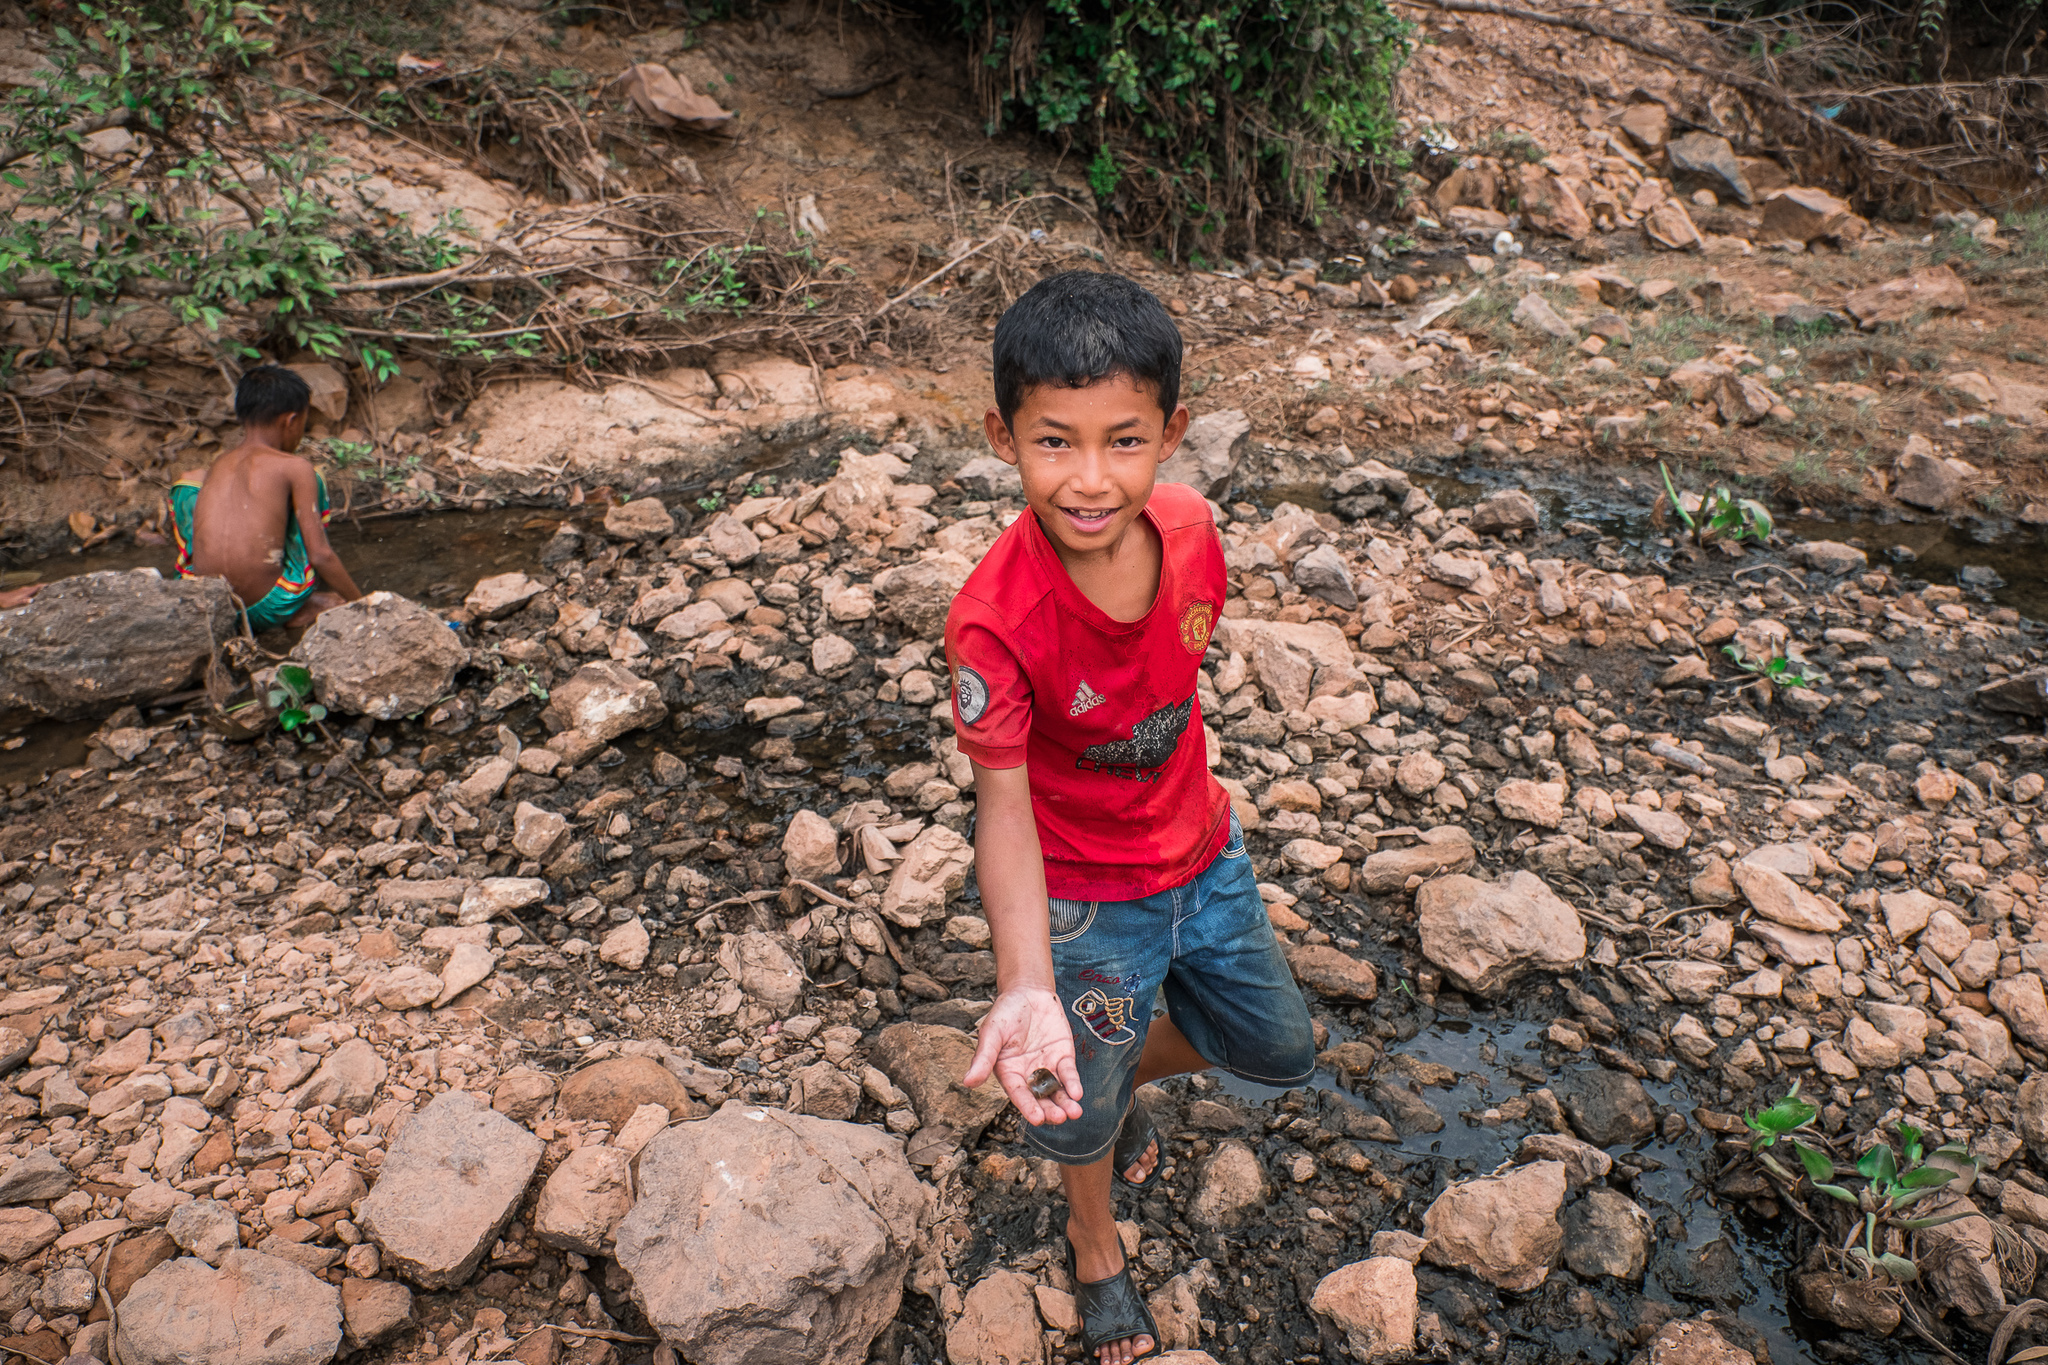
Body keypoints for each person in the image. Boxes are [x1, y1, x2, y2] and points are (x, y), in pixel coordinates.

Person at [947, 272, 1315, 1365]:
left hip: (1204, 857)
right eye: (1052, 442)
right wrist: (1024, 983)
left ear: (1173, 434)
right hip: (1085, 904)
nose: (1089, 479)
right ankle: (1092, 1238)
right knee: (1078, 1111)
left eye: (1123, 440)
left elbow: (1174, 678)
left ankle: (1120, 1082)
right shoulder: (993, 622)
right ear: (1001, 436)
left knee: (1276, 1049)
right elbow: (1000, 813)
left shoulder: (1195, 530)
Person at [169, 365, 362, 630]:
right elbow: (320, 555)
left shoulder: (220, 464)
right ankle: (297, 609)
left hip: (209, 606)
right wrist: (364, 604)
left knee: (191, 484)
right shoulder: (294, 467)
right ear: (291, 420)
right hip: (270, 606)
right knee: (311, 482)